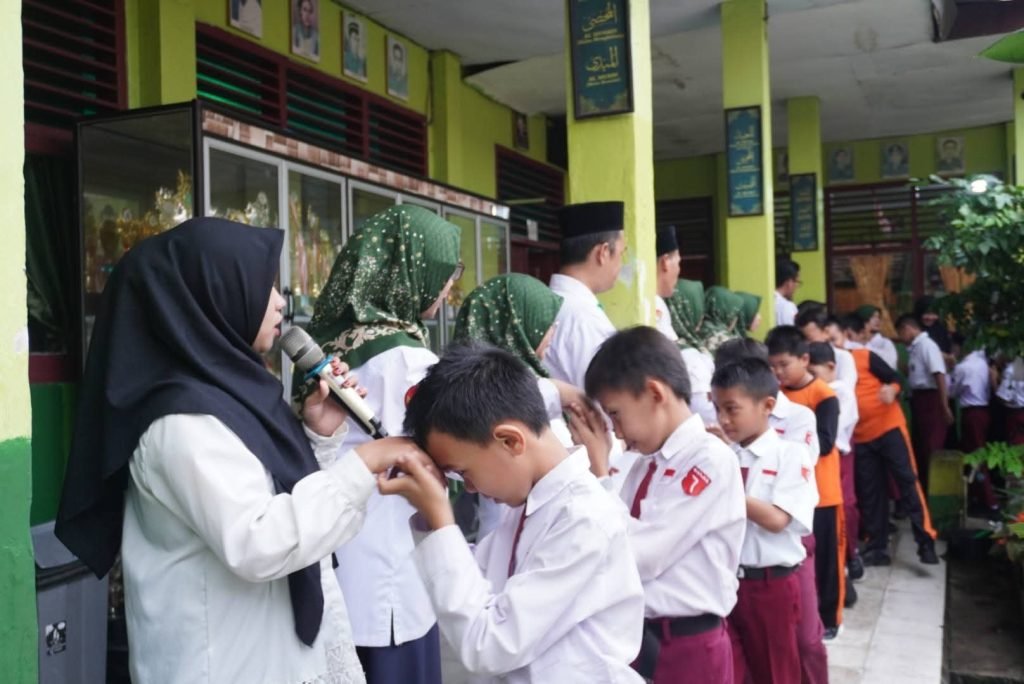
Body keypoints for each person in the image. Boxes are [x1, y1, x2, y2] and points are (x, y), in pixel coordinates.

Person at [54, 218, 436, 683]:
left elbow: (269, 496)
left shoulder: (232, 394)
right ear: (212, 295)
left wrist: (317, 435)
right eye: (264, 286)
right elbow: (258, 540)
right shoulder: (181, 422)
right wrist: (364, 464)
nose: (279, 302)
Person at [382, 343, 646, 683]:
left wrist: (440, 520)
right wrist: (432, 524)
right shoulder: (533, 501)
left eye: (463, 471)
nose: (471, 488)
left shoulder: (583, 517)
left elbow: (489, 645)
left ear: (510, 441)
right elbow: (477, 585)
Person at [301, 205, 462, 684]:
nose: (449, 289)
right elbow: (446, 459)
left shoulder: (329, 343)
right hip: (391, 578)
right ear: (411, 271)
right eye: (444, 273)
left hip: (337, 561)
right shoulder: (409, 359)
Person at [582, 327, 746, 683]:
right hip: (638, 637)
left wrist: (599, 473)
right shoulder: (643, 462)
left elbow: (639, 555)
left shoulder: (708, 460)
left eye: (616, 414)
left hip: (686, 644)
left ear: (655, 393)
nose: (617, 431)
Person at [711, 338, 827, 683]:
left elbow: (778, 519)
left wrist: (728, 491)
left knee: (776, 672)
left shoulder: (789, 454)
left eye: (732, 409)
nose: (723, 419)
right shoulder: (725, 456)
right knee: (735, 671)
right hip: (728, 582)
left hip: (770, 583)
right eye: (717, 408)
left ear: (767, 405)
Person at [452, 273, 577, 538]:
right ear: (516, 324)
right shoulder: (512, 398)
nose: (553, 332)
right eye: (546, 322)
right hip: (516, 538)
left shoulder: (538, 385)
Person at [765, 326, 845, 640]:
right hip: (788, 493)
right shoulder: (776, 396)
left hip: (823, 491)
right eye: (772, 366)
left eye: (784, 364)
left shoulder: (824, 395)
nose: (778, 372)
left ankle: (831, 619)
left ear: (805, 359)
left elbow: (824, 443)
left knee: (828, 560)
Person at [840, 315, 939, 566]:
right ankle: (877, 548)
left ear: (847, 337)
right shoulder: (824, 370)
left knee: (907, 481)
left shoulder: (863, 357)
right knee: (871, 493)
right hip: (861, 438)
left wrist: (891, 390)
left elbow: (898, 379)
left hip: (888, 428)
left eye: (835, 338)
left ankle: (926, 542)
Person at [545, 201, 624, 389]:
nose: (622, 264)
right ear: (603, 252)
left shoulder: (546, 303)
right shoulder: (583, 319)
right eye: (622, 253)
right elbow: (606, 401)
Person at [808, 342, 861, 607]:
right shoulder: (822, 390)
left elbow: (828, 439)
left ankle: (844, 585)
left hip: (835, 461)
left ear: (830, 368)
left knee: (835, 531)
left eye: (812, 371)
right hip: (824, 464)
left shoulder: (836, 392)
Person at [651, 228, 717, 427]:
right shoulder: (653, 307)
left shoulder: (656, 304)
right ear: (665, 262)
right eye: (678, 263)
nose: (678, 271)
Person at [896, 314, 953, 491]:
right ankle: (924, 489)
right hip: (919, 399)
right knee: (921, 445)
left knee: (931, 446)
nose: (901, 338)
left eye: (901, 333)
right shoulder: (914, 348)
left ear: (908, 328)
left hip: (931, 399)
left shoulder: (927, 345)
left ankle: (934, 490)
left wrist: (944, 406)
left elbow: (939, 375)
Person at [951, 348, 997, 517]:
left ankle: (989, 501)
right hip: (984, 411)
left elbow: (952, 391)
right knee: (973, 456)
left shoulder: (964, 366)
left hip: (972, 414)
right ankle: (976, 496)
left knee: (977, 457)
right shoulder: (984, 362)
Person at [795, 304, 858, 393]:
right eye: (802, 340)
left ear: (826, 332)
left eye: (809, 339)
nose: (805, 344)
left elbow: (846, 389)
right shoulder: (799, 359)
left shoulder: (843, 357)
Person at [703, 286, 745, 354]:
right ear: (726, 313)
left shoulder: (692, 332)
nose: (736, 318)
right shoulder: (728, 341)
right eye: (734, 313)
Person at [855, 305, 898, 370]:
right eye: (872, 317)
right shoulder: (854, 342)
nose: (877, 320)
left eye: (878, 317)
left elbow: (890, 364)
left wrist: (866, 346)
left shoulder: (885, 343)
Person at [774, 259, 800, 327]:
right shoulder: (787, 306)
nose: (797, 286)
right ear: (789, 282)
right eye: (797, 282)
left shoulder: (768, 300)